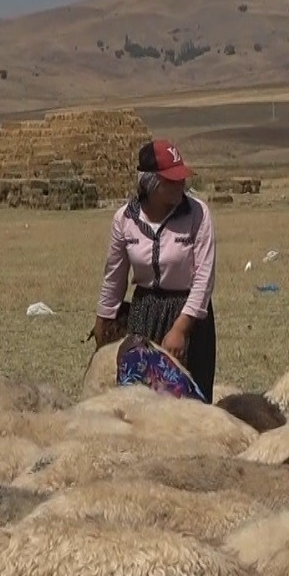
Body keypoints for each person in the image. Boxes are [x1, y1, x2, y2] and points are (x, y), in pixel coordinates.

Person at [95, 138, 219, 402]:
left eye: (181, 178)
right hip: (144, 315)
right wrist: (103, 321)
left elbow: (203, 280)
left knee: (191, 404)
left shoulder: (198, 214)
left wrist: (181, 330)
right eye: (170, 180)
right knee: (140, 401)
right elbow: (114, 278)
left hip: (190, 317)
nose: (180, 184)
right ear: (149, 182)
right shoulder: (124, 220)